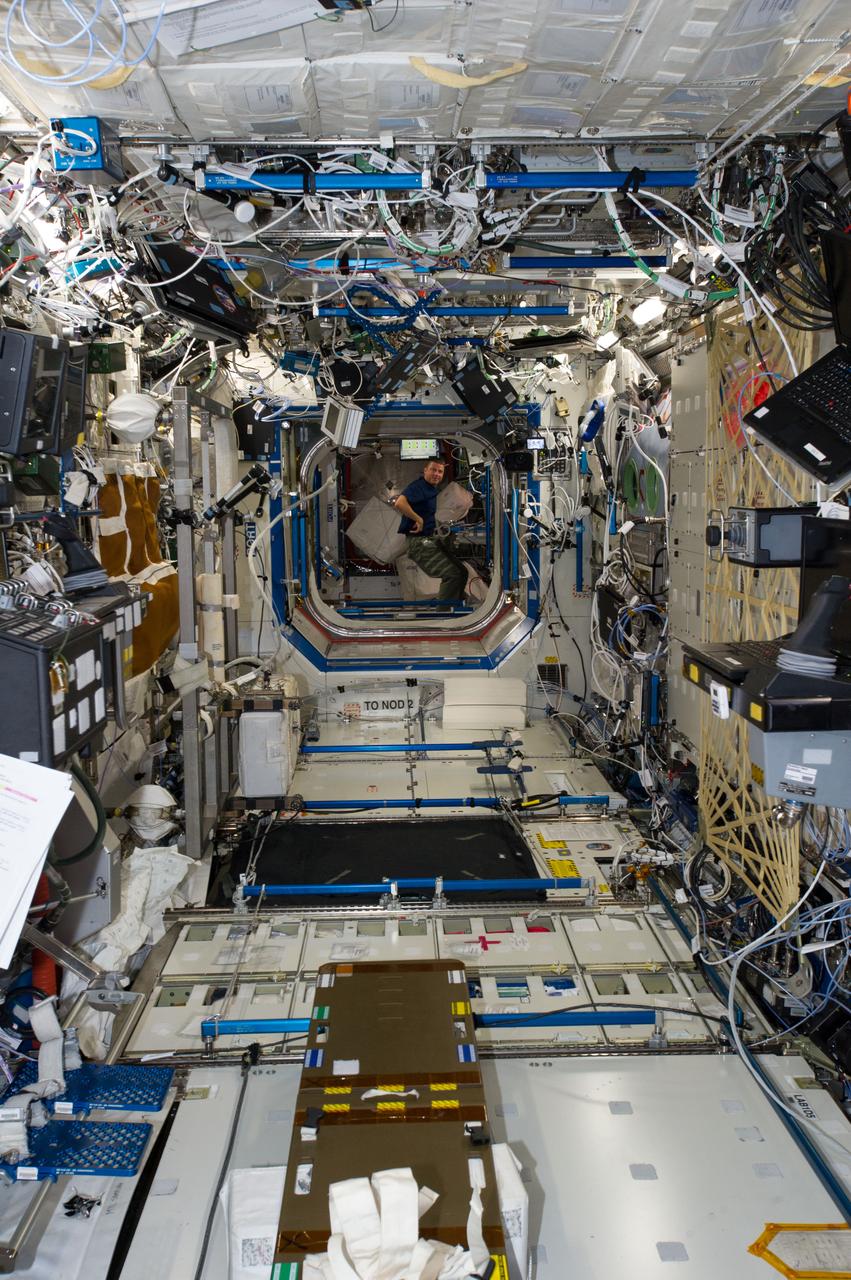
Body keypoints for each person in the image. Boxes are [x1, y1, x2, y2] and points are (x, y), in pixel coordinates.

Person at [394, 458, 469, 603]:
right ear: (425, 471)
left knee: (461, 571)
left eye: (440, 471)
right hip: (419, 544)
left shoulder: (430, 489)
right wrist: (418, 519)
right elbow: (399, 503)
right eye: (433, 470)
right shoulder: (419, 486)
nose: (436, 474)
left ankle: (455, 608)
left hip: (428, 539)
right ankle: (445, 614)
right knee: (453, 574)